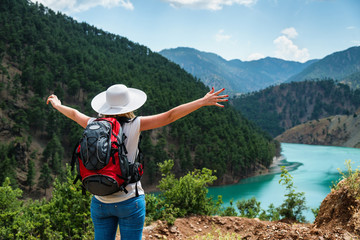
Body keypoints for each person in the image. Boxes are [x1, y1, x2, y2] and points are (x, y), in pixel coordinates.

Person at [46, 84, 228, 240]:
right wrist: (202, 101)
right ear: (128, 105)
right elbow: (170, 116)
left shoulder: (92, 123)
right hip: (129, 200)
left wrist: (57, 104)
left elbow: (74, 114)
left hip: (100, 200)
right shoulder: (135, 124)